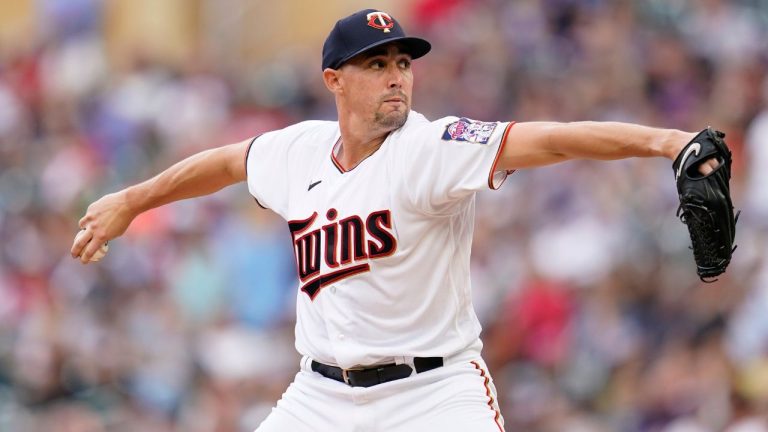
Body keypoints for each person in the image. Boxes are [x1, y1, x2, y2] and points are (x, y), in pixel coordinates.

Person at [71, 9, 720, 432]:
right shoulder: (296, 151)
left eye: (403, 63)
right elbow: (225, 164)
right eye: (377, 64)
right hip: (320, 395)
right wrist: (133, 200)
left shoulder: (432, 147)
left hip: (434, 395)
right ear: (335, 80)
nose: (397, 78)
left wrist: (668, 142)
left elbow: (551, 139)